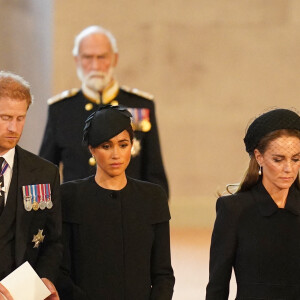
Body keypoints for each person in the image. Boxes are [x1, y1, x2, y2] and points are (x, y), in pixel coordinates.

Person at [57, 105, 175, 299]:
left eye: (123, 144)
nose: (116, 155)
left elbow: (163, 274)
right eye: (106, 146)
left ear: (132, 146)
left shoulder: (153, 197)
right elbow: (61, 272)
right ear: (92, 149)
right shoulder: (70, 196)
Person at [39, 25, 169, 197]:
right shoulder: (61, 109)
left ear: (115, 59)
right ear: (77, 60)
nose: (95, 65)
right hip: (77, 214)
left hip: (129, 211)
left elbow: (154, 174)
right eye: (87, 57)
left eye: (102, 57)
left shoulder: (140, 105)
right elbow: (45, 173)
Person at [206, 108, 300, 299]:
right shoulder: (233, 210)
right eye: (278, 159)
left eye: (296, 159)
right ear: (259, 157)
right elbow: (218, 284)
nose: (288, 168)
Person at [0, 71, 62, 299]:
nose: (13, 128)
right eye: (5, 117)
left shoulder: (46, 173)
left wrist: (44, 279)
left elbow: (54, 240)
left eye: (20, 118)